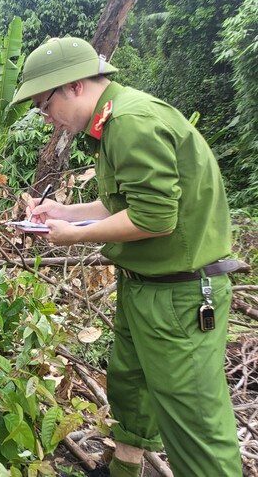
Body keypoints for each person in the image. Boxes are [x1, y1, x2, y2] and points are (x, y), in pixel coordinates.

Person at [12, 37, 242, 477]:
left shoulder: (133, 121)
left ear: (75, 86)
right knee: (131, 391)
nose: (48, 119)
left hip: (181, 294)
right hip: (145, 285)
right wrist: (64, 213)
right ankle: (123, 471)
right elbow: (122, 205)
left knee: (195, 422)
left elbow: (157, 219)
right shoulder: (111, 126)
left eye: (45, 104)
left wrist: (72, 238)